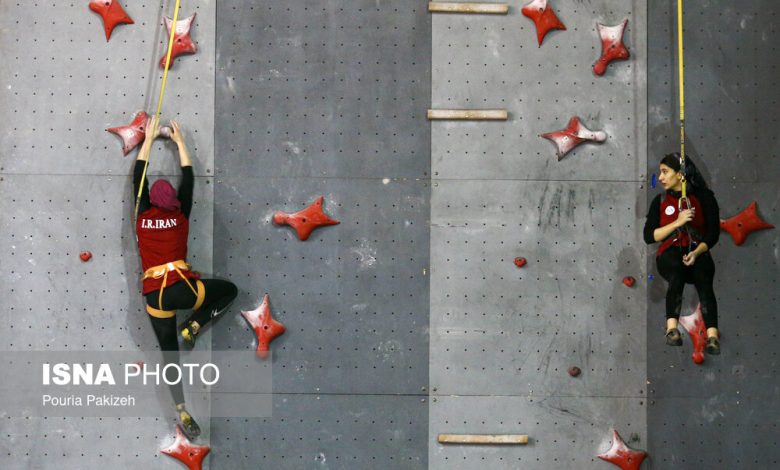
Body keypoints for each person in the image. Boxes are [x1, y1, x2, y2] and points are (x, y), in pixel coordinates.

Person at [133, 115, 238, 438]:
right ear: (174, 203)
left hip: (155, 296)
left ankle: (180, 408)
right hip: (181, 289)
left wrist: (148, 139)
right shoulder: (180, 217)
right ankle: (193, 325)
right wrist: (179, 143)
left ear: (151, 201)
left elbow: (139, 178)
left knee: (169, 353)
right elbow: (189, 179)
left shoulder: (142, 216)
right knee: (228, 291)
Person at [644, 153, 721, 354]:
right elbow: (649, 236)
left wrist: (697, 252)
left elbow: (713, 234)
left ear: (680, 175)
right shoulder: (659, 201)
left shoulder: (704, 198)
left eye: (665, 172)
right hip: (670, 253)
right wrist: (677, 222)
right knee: (676, 271)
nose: (660, 177)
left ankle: (712, 336)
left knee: (704, 277)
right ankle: (672, 329)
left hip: (697, 250)